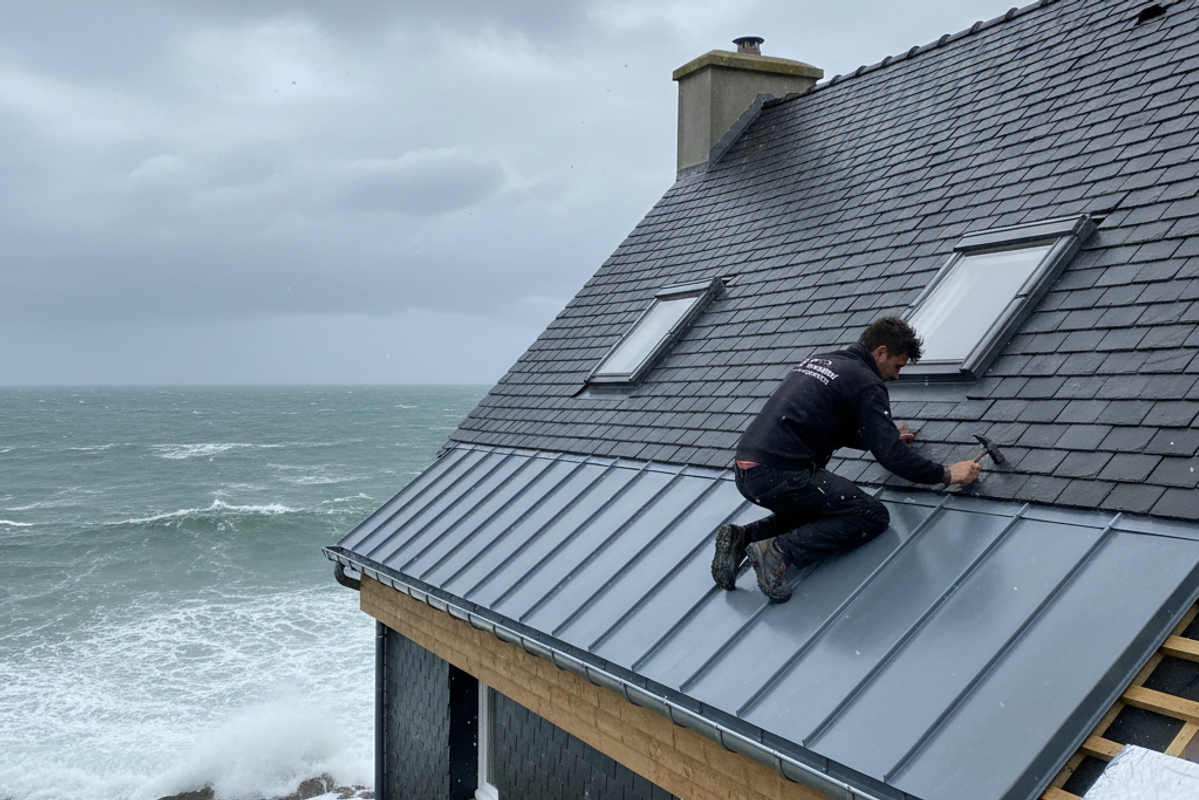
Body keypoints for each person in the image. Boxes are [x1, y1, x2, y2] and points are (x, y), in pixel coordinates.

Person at [711, 317, 981, 602]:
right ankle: (778, 552)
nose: (897, 376)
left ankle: (745, 538)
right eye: (898, 365)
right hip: (780, 474)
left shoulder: (822, 361)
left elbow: (831, 426)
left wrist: (881, 436)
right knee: (869, 514)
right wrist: (948, 474)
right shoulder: (867, 382)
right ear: (880, 352)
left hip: (747, 472)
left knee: (823, 507)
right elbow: (892, 458)